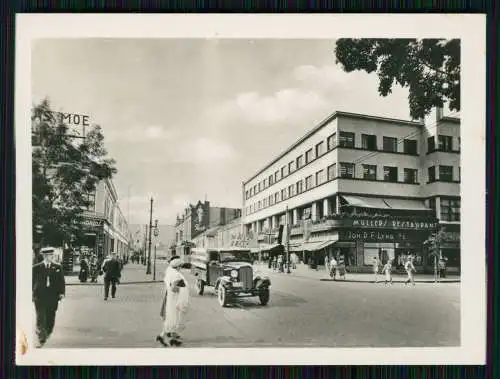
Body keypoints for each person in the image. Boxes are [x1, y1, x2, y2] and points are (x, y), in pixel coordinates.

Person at [32, 247, 65, 348]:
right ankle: (41, 336)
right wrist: (31, 293)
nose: (51, 257)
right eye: (49, 255)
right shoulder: (36, 268)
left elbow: (61, 281)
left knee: (50, 317)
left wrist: (61, 293)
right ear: (44, 256)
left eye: (52, 255)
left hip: (53, 297)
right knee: (41, 317)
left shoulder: (57, 267)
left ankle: (47, 331)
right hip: (40, 296)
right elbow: (31, 281)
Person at [157, 256, 190, 347]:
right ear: (178, 266)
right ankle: (168, 338)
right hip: (175, 298)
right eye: (180, 265)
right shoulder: (175, 274)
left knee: (171, 317)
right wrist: (182, 289)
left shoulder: (170, 272)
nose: (181, 267)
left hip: (171, 298)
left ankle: (166, 337)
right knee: (174, 317)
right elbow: (173, 287)